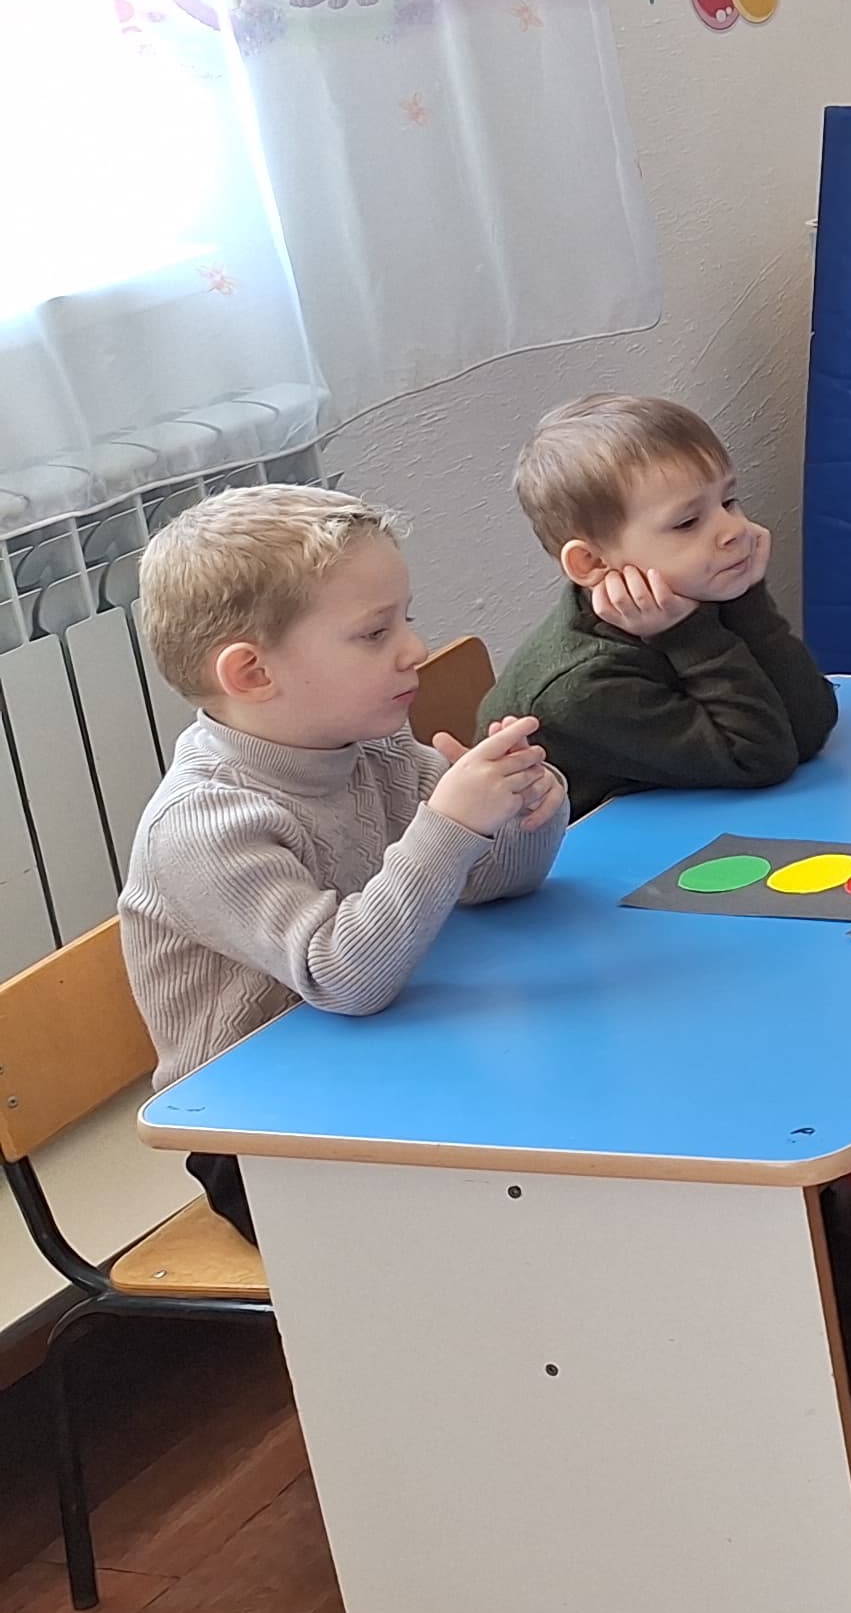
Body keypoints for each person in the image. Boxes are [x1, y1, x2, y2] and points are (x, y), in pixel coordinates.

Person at [117, 487, 567, 1241]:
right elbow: (344, 977)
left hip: (386, 1062)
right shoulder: (204, 825)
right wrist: (452, 824)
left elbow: (495, 883)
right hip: (262, 1137)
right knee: (527, 1206)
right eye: (374, 632)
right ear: (252, 674)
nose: (413, 648)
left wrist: (525, 808)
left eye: (406, 618)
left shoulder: (373, 749)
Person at [485, 394, 838, 815]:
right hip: (598, 852)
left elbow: (810, 727)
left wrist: (747, 600)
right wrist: (689, 637)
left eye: (728, 501)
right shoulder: (583, 685)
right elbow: (760, 758)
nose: (734, 529)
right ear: (592, 563)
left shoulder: (692, 598)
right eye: (687, 522)